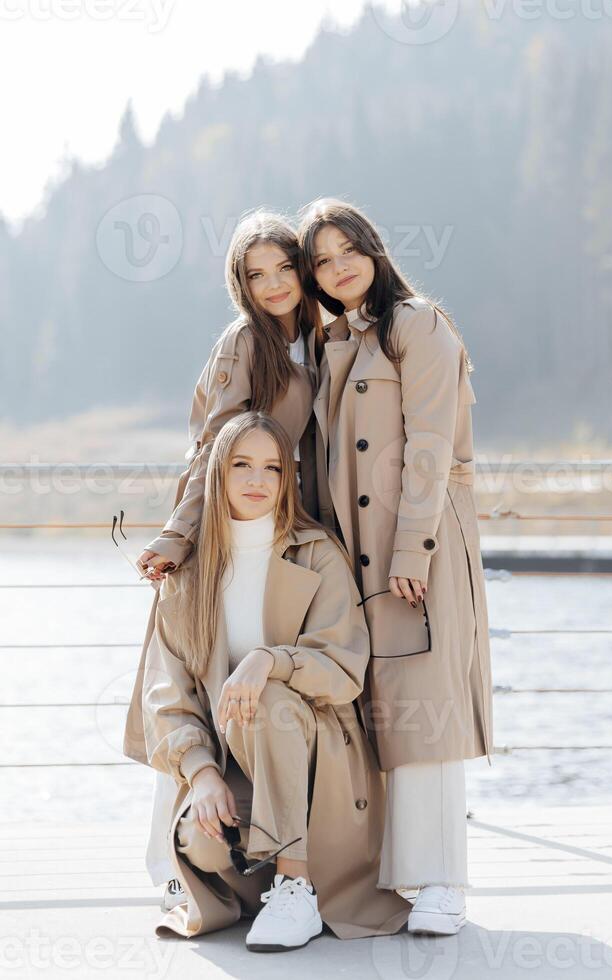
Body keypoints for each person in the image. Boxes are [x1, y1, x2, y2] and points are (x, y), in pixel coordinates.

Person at [127, 412, 410, 949]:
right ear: (217, 473)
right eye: (241, 465)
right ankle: (270, 875)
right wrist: (202, 773)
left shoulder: (316, 552)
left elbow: (344, 668)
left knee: (269, 698)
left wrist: (269, 661)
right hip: (237, 763)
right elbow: (168, 695)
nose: (257, 481)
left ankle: (297, 885)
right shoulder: (187, 574)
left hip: (320, 757)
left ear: (287, 479)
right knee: (203, 845)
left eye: (272, 468)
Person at [297, 198, 494, 935]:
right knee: (377, 716)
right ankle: (388, 877)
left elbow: (431, 445)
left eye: (350, 249)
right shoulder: (337, 341)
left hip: (421, 549)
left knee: (426, 712)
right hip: (356, 559)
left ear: (376, 251)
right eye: (322, 258)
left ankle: (444, 880)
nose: (339, 266)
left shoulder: (419, 325)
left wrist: (413, 547)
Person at [125, 210, 323, 908]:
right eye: (254, 274)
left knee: (289, 688)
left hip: (289, 526)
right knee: (199, 677)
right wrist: (178, 540)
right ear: (239, 284)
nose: (273, 284)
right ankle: (176, 866)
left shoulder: (319, 336)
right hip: (225, 523)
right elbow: (214, 451)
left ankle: (299, 863)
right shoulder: (246, 342)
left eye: (283, 267)